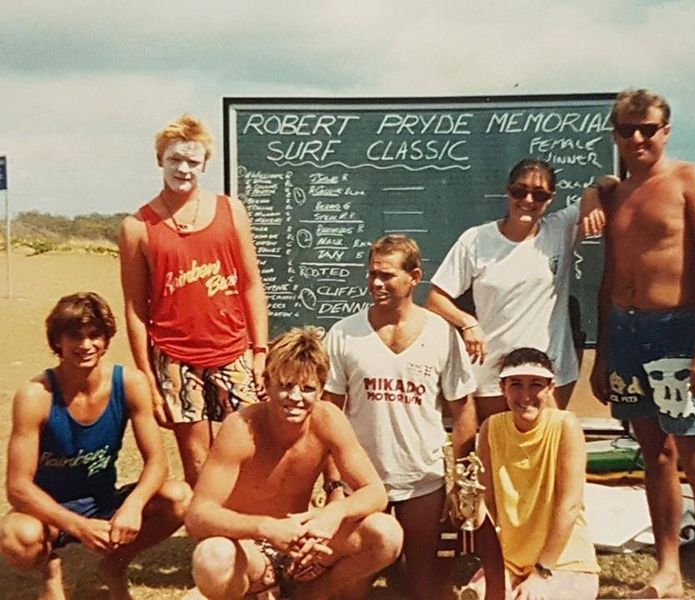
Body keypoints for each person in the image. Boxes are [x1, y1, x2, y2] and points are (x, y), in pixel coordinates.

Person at [589, 88, 695, 598]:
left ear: (666, 131)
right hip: (626, 332)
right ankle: (668, 569)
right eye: (626, 130)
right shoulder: (614, 194)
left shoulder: (692, 181)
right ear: (615, 135)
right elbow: (609, 278)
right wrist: (605, 353)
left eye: (647, 129)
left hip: (678, 331)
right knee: (654, 453)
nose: (637, 138)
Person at [185, 327, 402, 600]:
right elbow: (198, 516)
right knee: (212, 557)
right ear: (267, 384)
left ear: (321, 389)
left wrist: (333, 514)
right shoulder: (240, 427)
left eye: (307, 388)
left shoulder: (328, 419)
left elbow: (375, 492)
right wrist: (265, 528)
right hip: (251, 548)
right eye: (286, 386)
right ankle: (253, 592)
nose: (296, 397)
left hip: (302, 542)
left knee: (386, 533)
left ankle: (311, 595)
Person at [0, 292, 191, 600]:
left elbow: (157, 461)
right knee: (17, 537)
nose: (86, 345)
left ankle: (115, 566)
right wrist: (78, 526)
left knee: (179, 498)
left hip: (102, 502)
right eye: (75, 336)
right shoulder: (36, 395)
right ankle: (50, 571)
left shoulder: (129, 383)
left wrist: (133, 506)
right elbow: (18, 487)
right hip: (49, 512)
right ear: (57, 341)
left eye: (94, 335)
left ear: (106, 339)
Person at [323, 234, 478, 599]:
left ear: (414, 277)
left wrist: (461, 479)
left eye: (387, 275)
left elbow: (463, 410)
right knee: (350, 587)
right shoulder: (344, 334)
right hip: (361, 480)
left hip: (422, 478)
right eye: (372, 274)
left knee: (425, 586)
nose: (376, 283)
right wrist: (333, 484)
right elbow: (328, 414)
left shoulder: (442, 334)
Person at [119, 114, 269, 486]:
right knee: (198, 463)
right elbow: (135, 310)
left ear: (204, 163)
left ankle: (247, 522)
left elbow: (251, 284)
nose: (183, 169)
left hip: (233, 350)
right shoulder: (137, 227)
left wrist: (260, 350)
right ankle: (205, 522)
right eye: (175, 159)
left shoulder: (231, 211)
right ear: (160, 159)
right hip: (175, 357)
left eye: (191, 160)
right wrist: (149, 378)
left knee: (250, 454)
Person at [426, 158, 605, 418]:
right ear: (508, 191)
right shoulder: (476, 240)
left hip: (549, 371)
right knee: (496, 439)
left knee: (545, 441)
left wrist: (591, 195)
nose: (528, 200)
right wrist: (468, 323)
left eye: (539, 194)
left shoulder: (560, 229)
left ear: (551, 199)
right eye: (519, 191)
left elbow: (610, 181)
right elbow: (436, 298)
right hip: (492, 373)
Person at [462, 347, 599, 600]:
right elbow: (487, 502)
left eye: (536, 384)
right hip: (508, 561)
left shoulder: (565, 425)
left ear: (550, 388)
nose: (525, 396)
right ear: (502, 388)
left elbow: (569, 506)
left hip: (563, 562)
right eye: (516, 384)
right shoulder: (491, 427)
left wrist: (541, 571)